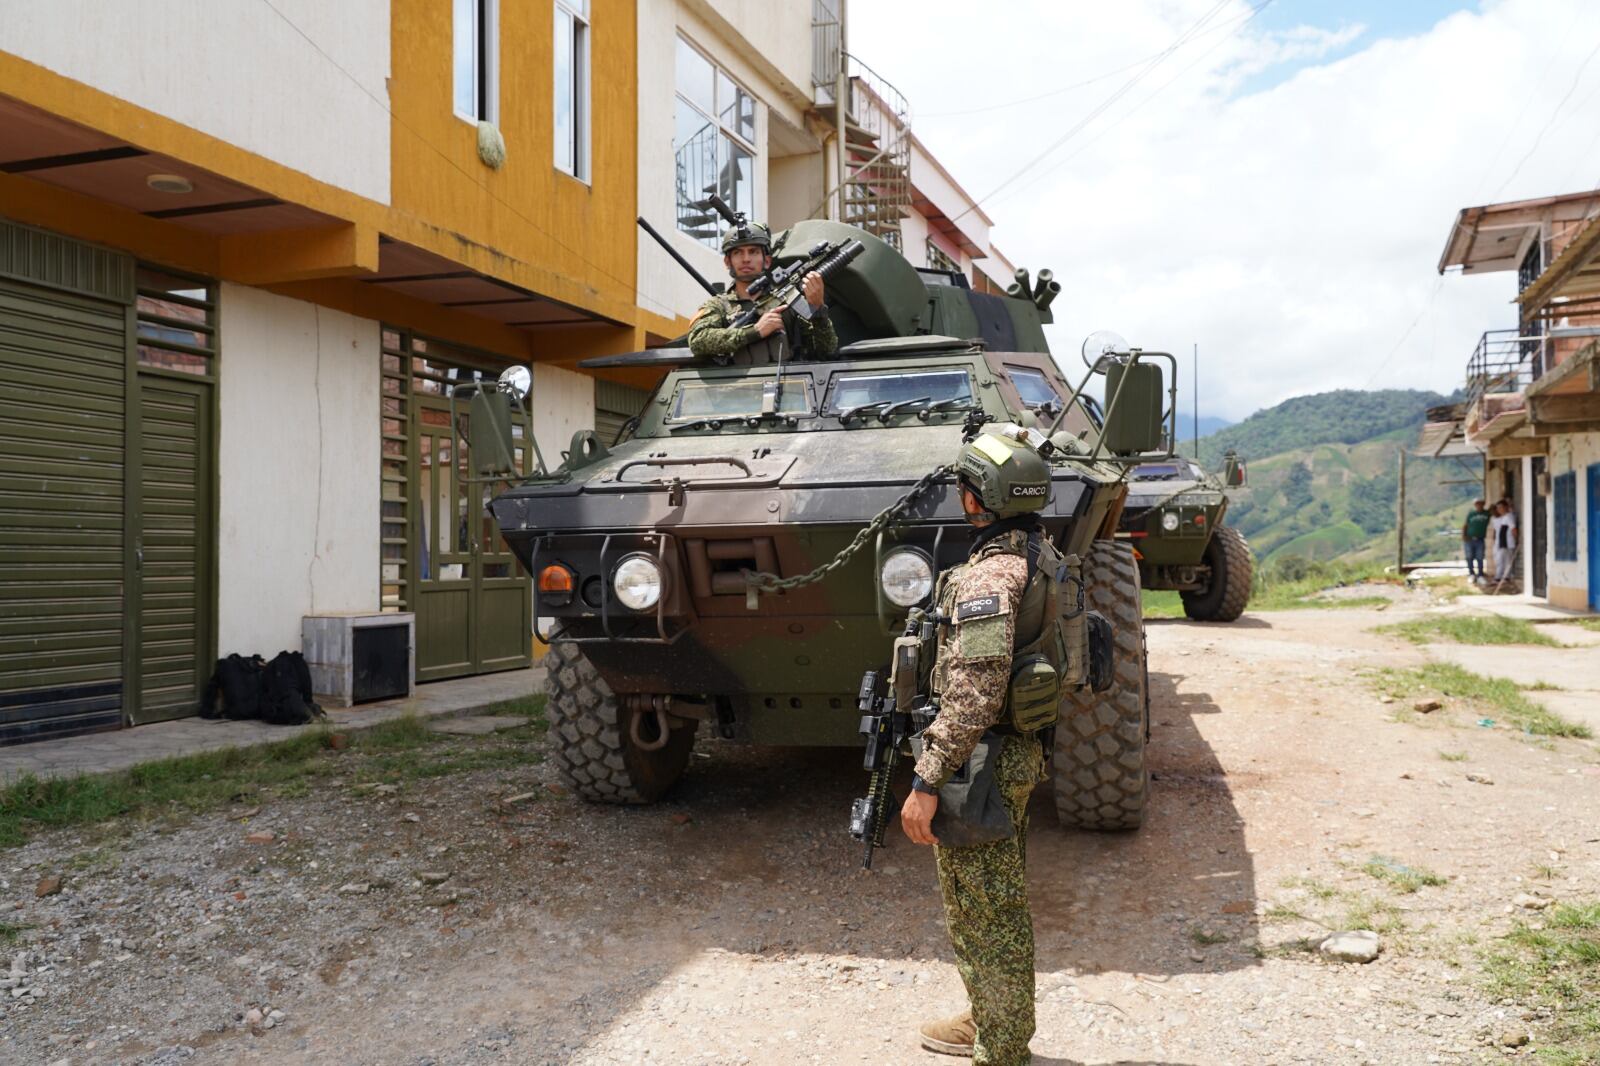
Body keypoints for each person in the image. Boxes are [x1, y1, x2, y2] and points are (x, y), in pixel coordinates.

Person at [900, 430, 1055, 1065]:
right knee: (996, 902)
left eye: (966, 490)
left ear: (979, 500)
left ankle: (1002, 1048)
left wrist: (925, 780)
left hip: (982, 763)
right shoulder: (1043, 554)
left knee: (984, 915)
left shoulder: (993, 574)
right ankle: (992, 1019)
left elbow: (974, 695)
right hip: (1016, 752)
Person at [685, 222, 837, 365]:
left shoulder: (787, 302)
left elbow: (826, 351)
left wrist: (818, 309)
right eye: (738, 253)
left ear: (767, 261)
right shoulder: (718, 305)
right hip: (735, 391)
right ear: (727, 262)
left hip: (789, 387)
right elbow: (698, 340)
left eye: (753, 252)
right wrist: (755, 331)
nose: (746, 259)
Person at [1490, 499, 1518, 587]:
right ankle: (1501, 576)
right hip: (1502, 543)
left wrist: (1516, 539)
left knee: (1505, 560)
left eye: (1501, 507)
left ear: (1506, 507)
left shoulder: (1509, 517)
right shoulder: (1503, 518)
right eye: (1498, 508)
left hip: (1507, 543)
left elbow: (1513, 529)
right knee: (1500, 560)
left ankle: (1503, 577)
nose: (1499, 509)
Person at [1461, 499, 1489, 583]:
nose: (1479, 505)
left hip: (1480, 539)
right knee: (1469, 556)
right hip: (1469, 538)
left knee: (1480, 557)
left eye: (1480, 504)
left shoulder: (1487, 514)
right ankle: (1471, 574)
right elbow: (1465, 525)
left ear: (1483, 504)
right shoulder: (1471, 514)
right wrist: (1463, 535)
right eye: (1477, 504)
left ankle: (1480, 575)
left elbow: (1494, 511)